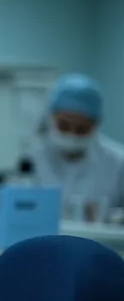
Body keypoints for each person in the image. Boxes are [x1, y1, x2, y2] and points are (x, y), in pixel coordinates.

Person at [29, 73, 124, 222]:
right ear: (51, 117)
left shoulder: (117, 163)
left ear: (96, 125)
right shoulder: (32, 159)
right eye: (64, 125)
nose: (71, 135)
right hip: (42, 244)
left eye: (81, 129)